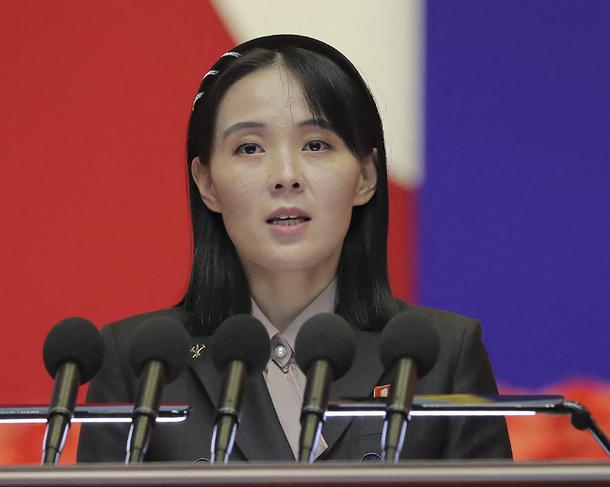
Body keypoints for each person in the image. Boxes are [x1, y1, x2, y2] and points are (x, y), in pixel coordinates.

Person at [77, 34, 512, 462]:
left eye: (316, 144)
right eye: (250, 148)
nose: (286, 175)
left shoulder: (443, 355)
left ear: (365, 176)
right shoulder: (140, 363)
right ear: (207, 183)